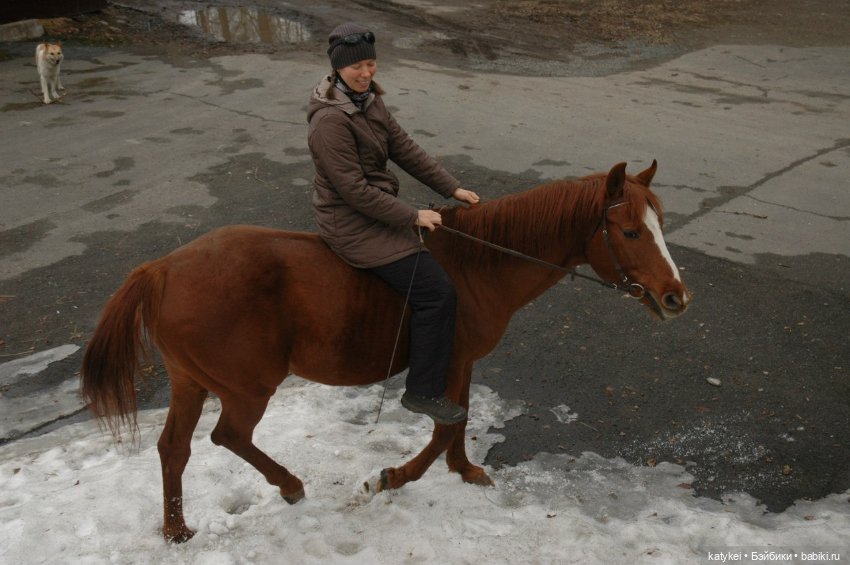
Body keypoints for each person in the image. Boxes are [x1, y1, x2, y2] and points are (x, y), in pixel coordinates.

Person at [307, 22, 480, 425]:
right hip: (351, 220)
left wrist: (452, 187)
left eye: (371, 63)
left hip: (377, 206)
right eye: (356, 68)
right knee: (437, 293)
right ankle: (423, 391)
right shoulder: (331, 122)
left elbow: (403, 147)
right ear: (337, 70)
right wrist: (411, 215)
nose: (366, 73)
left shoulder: (367, 100)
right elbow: (352, 191)